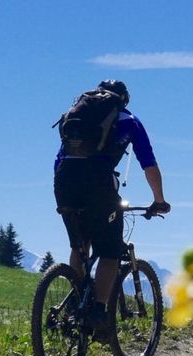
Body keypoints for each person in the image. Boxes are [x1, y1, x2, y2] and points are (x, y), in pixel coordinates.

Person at [53, 79, 170, 333]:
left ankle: (75, 306)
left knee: (79, 245)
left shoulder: (76, 117)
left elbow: (60, 159)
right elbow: (148, 164)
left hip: (63, 183)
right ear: (123, 100)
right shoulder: (129, 120)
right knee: (109, 251)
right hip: (98, 185)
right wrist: (159, 200)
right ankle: (98, 312)